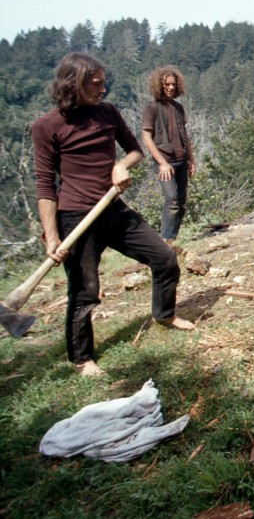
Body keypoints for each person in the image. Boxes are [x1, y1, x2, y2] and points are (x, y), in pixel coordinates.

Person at [32, 53, 194, 378]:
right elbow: (45, 186)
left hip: (113, 210)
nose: (103, 89)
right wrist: (51, 235)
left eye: (104, 83)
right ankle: (83, 358)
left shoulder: (107, 113)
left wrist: (120, 165)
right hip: (76, 218)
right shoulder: (46, 126)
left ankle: (164, 314)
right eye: (96, 84)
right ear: (73, 84)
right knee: (84, 290)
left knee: (164, 257)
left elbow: (134, 149)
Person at [140, 66, 195, 242]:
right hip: (165, 161)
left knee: (180, 202)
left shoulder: (178, 107)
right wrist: (162, 162)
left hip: (181, 159)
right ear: (159, 85)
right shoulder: (152, 107)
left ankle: (174, 238)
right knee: (171, 200)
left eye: (173, 84)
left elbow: (184, 135)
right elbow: (146, 136)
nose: (170, 88)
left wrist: (191, 160)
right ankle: (166, 240)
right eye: (166, 85)